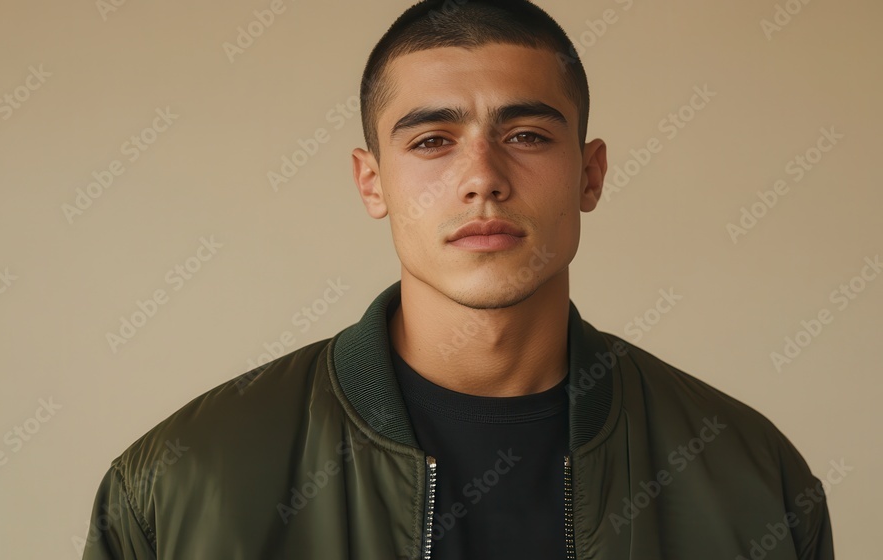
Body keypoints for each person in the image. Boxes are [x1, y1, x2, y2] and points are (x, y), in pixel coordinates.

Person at [80, 1, 834, 558]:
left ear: (590, 173)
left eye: (527, 135)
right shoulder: (181, 486)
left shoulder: (749, 476)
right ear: (372, 183)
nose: (482, 178)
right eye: (434, 140)